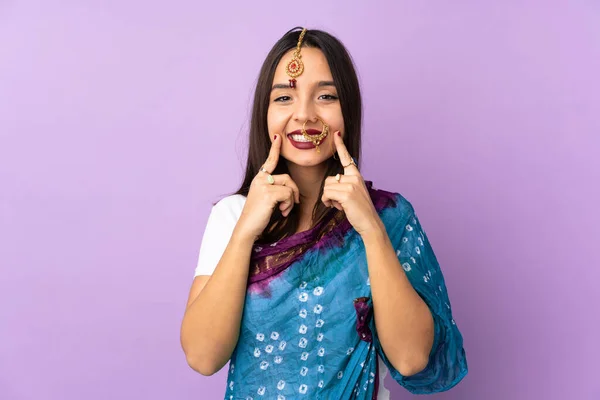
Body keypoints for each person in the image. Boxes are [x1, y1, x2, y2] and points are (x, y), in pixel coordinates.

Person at [180, 27, 468, 399]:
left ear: (347, 109)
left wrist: (372, 231)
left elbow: (411, 359)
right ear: (264, 114)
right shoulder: (232, 216)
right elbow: (203, 357)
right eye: (284, 97)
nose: (304, 115)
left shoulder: (388, 217)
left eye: (326, 96)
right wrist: (244, 235)